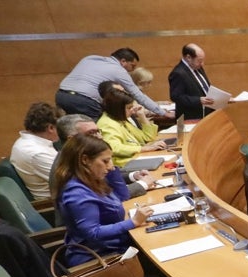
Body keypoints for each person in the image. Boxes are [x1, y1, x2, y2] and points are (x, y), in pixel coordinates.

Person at [52, 133, 151, 267]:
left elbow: (123, 196)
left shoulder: (91, 179)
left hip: (117, 245)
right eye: (105, 161)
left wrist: (111, 168)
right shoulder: (76, 192)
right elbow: (93, 233)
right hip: (101, 258)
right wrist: (133, 222)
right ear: (85, 160)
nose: (110, 166)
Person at [51, 114, 149, 199]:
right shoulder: (65, 168)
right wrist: (142, 185)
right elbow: (104, 198)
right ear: (72, 140)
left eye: (98, 131)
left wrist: (132, 176)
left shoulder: (84, 154)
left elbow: (105, 177)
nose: (100, 137)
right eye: (91, 133)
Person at [56, 48, 167, 119]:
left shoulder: (90, 58)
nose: (132, 70)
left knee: (71, 129)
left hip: (61, 95)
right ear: (123, 61)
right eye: (132, 66)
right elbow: (137, 95)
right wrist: (163, 113)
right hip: (84, 100)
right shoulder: (119, 71)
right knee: (96, 132)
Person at [97, 87, 166, 168]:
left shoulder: (121, 119)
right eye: (129, 108)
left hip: (136, 158)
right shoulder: (107, 124)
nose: (133, 111)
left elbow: (148, 138)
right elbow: (114, 148)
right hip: (123, 165)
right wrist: (144, 149)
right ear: (117, 108)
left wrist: (142, 116)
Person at [11, 102, 61, 200]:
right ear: (50, 128)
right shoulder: (36, 153)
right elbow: (70, 180)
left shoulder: (26, 142)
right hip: (53, 203)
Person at [168, 43, 215, 120]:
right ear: (188, 57)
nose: (202, 64)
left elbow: (205, 88)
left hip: (206, 115)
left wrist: (221, 98)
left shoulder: (197, 67)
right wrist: (198, 100)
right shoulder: (178, 73)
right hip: (191, 117)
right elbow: (176, 97)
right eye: (199, 61)